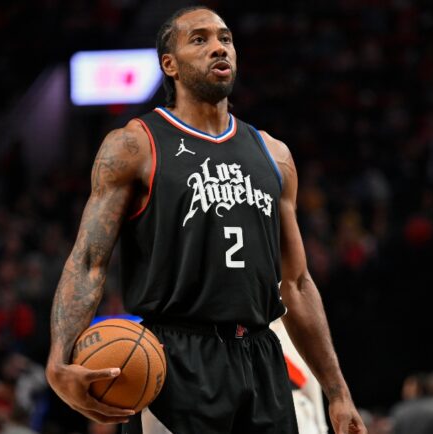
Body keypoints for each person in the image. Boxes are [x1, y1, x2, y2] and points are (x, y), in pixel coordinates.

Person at [45, 6, 367, 434]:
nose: (219, 47)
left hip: (261, 356)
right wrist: (57, 359)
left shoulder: (274, 155)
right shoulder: (134, 146)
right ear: (170, 64)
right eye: (199, 39)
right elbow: (88, 261)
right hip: (176, 359)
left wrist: (338, 392)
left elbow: (297, 283)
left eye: (226, 38)